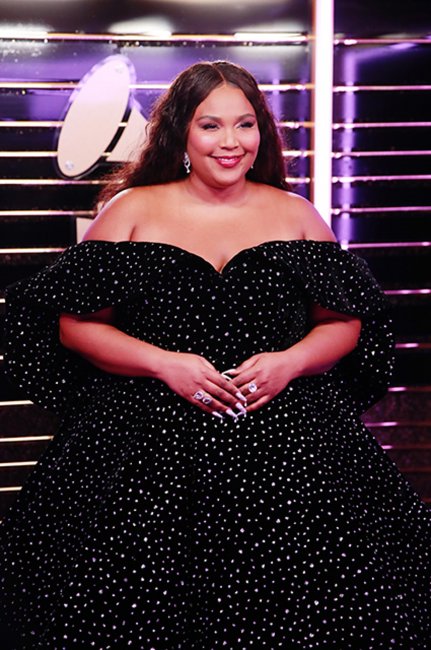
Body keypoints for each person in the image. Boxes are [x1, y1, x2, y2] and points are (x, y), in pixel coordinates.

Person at [0, 59, 429, 648]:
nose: (231, 142)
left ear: (262, 134)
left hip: (291, 446)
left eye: (244, 124)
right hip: (146, 446)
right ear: (181, 133)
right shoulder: (131, 210)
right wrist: (164, 363)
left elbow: (344, 323)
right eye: (211, 125)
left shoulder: (297, 214)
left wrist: (290, 362)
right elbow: (77, 328)